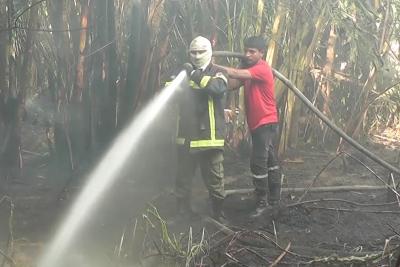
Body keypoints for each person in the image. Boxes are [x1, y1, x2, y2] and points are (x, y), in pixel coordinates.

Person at [215, 36, 282, 217]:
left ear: (262, 53)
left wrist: (211, 67)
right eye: (246, 51)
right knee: (269, 160)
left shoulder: (262, 68)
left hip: (265, 122)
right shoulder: (250, 69)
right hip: (258, 123)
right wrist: (217, 80)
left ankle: (262, 202)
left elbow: (236, 74)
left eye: (252, 52)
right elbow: (233, 84)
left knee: (258, 162)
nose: (247, 54)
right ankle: (274, 198)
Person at [172, 36, 229, 223]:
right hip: (186, 137)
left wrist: (195, 76)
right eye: (193, 52)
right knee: (183, 178)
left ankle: (218, 214)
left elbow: (217, 88)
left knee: (215, 180)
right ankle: (182, 212)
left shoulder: (219, 72)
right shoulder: (182, 72)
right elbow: (168, 90)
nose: (197, 56)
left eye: (201, 52)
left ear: (210, 52)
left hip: (209, 139)